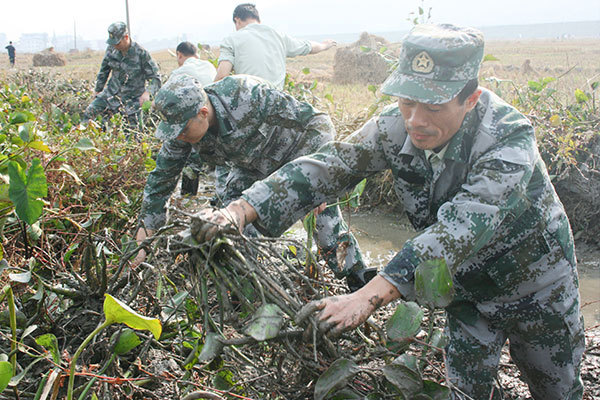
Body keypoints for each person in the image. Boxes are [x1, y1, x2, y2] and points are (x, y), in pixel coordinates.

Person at [195, 24, 585, 399]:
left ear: (471, 98)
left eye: (432, 105)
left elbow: (461, 227)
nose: (416, 120)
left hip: (536, 285)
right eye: (407, 101)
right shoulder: (394, 127)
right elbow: (328, 166)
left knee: (556, 389)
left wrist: (366, 297)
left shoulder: (509, 138)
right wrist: (241, 209)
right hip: (466, 289)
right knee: (463, 392)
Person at [135, 74, 372, 291]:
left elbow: (318, 122)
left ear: (203, 113)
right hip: (250, 166)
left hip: (295, 157)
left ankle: (359, 280)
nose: (179, 137)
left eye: (183, 130)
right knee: (230, 222)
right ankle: (245, 286)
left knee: (326, 226)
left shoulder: (247, 95)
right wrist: (143, 241)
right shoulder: (181, 128)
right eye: (174, 131)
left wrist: (319, 180)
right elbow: (161, 181)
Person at [214, 3, 336, 89]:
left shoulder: (231, 39)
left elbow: (221, 77)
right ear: (258, 20)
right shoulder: (279, 36)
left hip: (249, 101)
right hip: (278, 102)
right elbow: (309, 47)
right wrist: (325, 45)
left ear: (237, 20)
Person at [83, 22, 161, 138]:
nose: (115, 46)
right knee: (90, 112)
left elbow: (155, 78)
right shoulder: (111, 50)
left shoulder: (141, 54)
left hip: (132, 99)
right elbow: (104, 70)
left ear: (126, 37)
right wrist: (98, 90)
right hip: (111, 94)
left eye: (117, 43)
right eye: (113, 43)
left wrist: (147, 93)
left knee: (132, 133)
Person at [166, 41, 217, 195]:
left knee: (191, 156)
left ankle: (188, 196)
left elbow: (168, 102)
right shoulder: (209, 65)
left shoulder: (179, 73)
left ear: (179, 55)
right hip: (215, 119)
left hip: (196, 119)